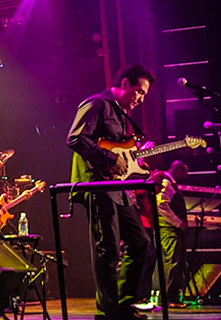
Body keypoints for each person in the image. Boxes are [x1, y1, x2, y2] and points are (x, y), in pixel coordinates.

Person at [67, 64, 155, 320]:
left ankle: (125, 304)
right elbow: (75, 138)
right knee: (108, 250)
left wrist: (134, 163)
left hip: (119, 189)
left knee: (141, 242)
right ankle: (108, 313)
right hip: (98, 186)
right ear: (125, 84)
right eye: (139, 91)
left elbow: (121, 152)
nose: (141, 99)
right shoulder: (96, 104)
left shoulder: (121, 115)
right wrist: (108, 158)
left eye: (145, 95)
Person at [153, 160, 190, 308]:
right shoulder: (167, 183)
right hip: (168, 228)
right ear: (178, 171)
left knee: (175, 261)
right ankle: (168, 298)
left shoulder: (169, 183)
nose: (186, 177)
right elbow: (161, 204)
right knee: (172, 262)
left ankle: (171, 297)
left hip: (169, 227)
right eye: (184, 173)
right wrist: (178, 222)